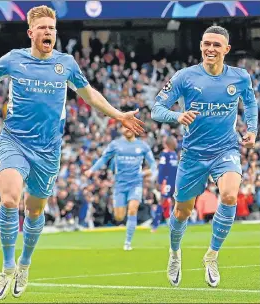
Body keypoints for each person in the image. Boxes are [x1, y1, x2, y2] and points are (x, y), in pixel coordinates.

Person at [0, 5, 144, 300]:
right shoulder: (14, 59)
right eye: (43, 28)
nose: (49, 33)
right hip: (15, 141)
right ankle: (7, 267)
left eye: (52, 29)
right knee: (9, 200)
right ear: (31, 32)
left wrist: (118, 114)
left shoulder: (66, 64)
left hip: (48, 149)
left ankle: (25, 263)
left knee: (34, 210)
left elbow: (89, 94)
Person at [151, 25, 258, 287]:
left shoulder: (240, 77)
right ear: (201, 46)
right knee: (181, 212)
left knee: (231, 194)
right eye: (206, 43)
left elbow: (251, 102)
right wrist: (177, 116)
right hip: (193, 154)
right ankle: (175, 253)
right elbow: (156, 108)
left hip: (226, 149)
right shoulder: (184, 77)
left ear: (226, 49)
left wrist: (253, 130)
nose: (210, 48)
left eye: (216, 45)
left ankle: (212, 255)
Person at [85, 125, 157, 250]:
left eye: (129, 127)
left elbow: (153, 165)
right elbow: (103, 159)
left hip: (135, 183)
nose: (127, 129)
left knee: (132, 210)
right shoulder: (115, 144)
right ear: (121, 130)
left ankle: (128, 243)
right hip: (120, 184)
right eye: (124, 127)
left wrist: (148, 173)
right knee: (119, 216)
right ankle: (125, 230)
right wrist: (92, 170)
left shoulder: (143, 146)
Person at [151, 135, 178, 232]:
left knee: (175, 202)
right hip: (166, 183)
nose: (176, 143)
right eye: (174, 141)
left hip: (174, 182)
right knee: (162, 202)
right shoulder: (164, 154)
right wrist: (159, 182)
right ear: (170, 143)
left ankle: (172, 223)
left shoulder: (174, 153)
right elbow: (161, 169)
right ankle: (155, 225)